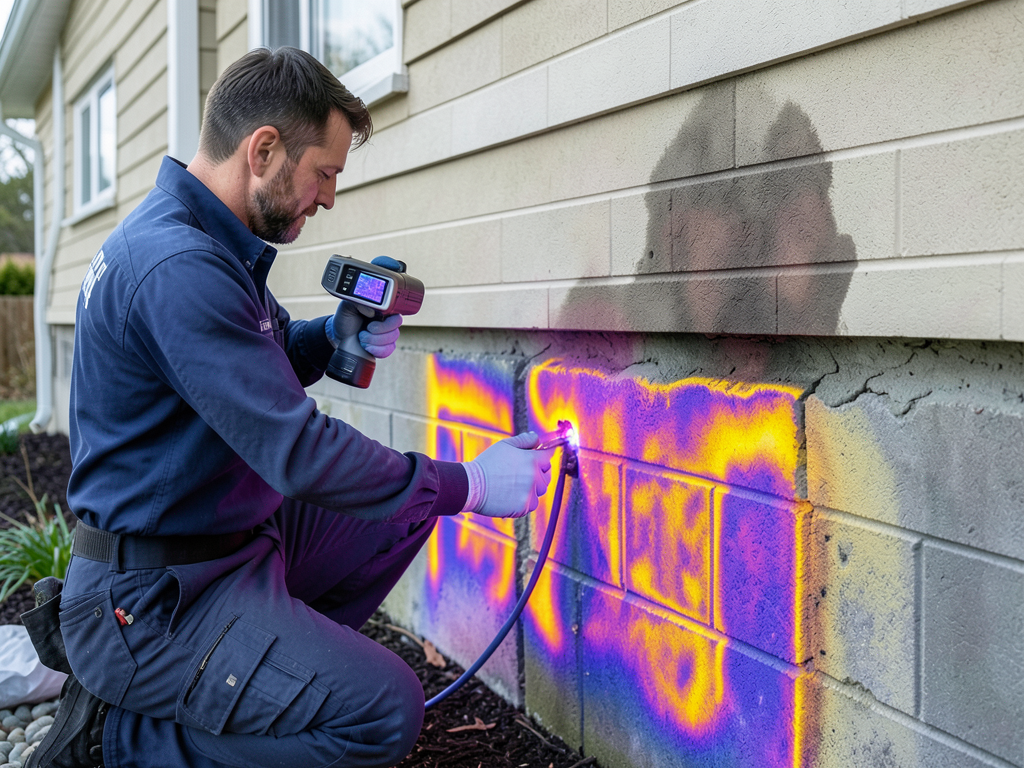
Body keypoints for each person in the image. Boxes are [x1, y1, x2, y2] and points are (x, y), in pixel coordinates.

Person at [27, 47, 554, 768]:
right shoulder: (177, 267)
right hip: (151, 602)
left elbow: (251, 358)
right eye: (325, 173)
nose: (329, 196)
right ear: (264, 149)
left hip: (222, 545)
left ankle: (261, 684)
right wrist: (472, 485)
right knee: (382, 712)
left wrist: (332, 335)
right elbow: (300, 453)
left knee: (402, 508)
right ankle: (124, 741)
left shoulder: (200, 242)